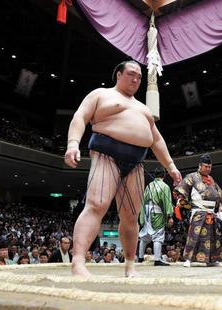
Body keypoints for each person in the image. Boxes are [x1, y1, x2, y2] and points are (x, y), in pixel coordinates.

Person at [64, 60, 181, 277]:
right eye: (131, 74)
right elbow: (80, 117)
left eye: (139, 77)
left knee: (131, 216)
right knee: (97, 205)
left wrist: (171, 166)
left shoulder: (144, 108)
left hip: (136, 163)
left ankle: (129, 265)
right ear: (118, 74)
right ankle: (78, 262)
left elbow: (156, 140)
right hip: (106, 154)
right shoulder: (101, 94)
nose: (136, 79)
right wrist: (73, 143)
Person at [174, 153, 222, 267]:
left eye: (210, 167)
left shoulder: (211, 179)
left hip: (211, 211)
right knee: (194, 236)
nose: (208, 169)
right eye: (206, 166)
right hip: (199, 211)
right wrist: (181, 200)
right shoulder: (192, 177)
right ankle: (188, 259)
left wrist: (220, 207)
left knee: (212, 236)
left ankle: (212, 260)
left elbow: (218, 195)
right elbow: (182, 189)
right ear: (200, 165)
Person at [138, 167, 174, 266]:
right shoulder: (165, 186)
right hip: (156, 213)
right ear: (164, 175)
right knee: (158, 235)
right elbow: (167, 202)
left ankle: (140, 258)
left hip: (146, 212)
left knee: (145, 235)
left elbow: (143, 200)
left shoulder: (149, 185)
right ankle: (157, 259)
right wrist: (170, 216)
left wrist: (142, 215)